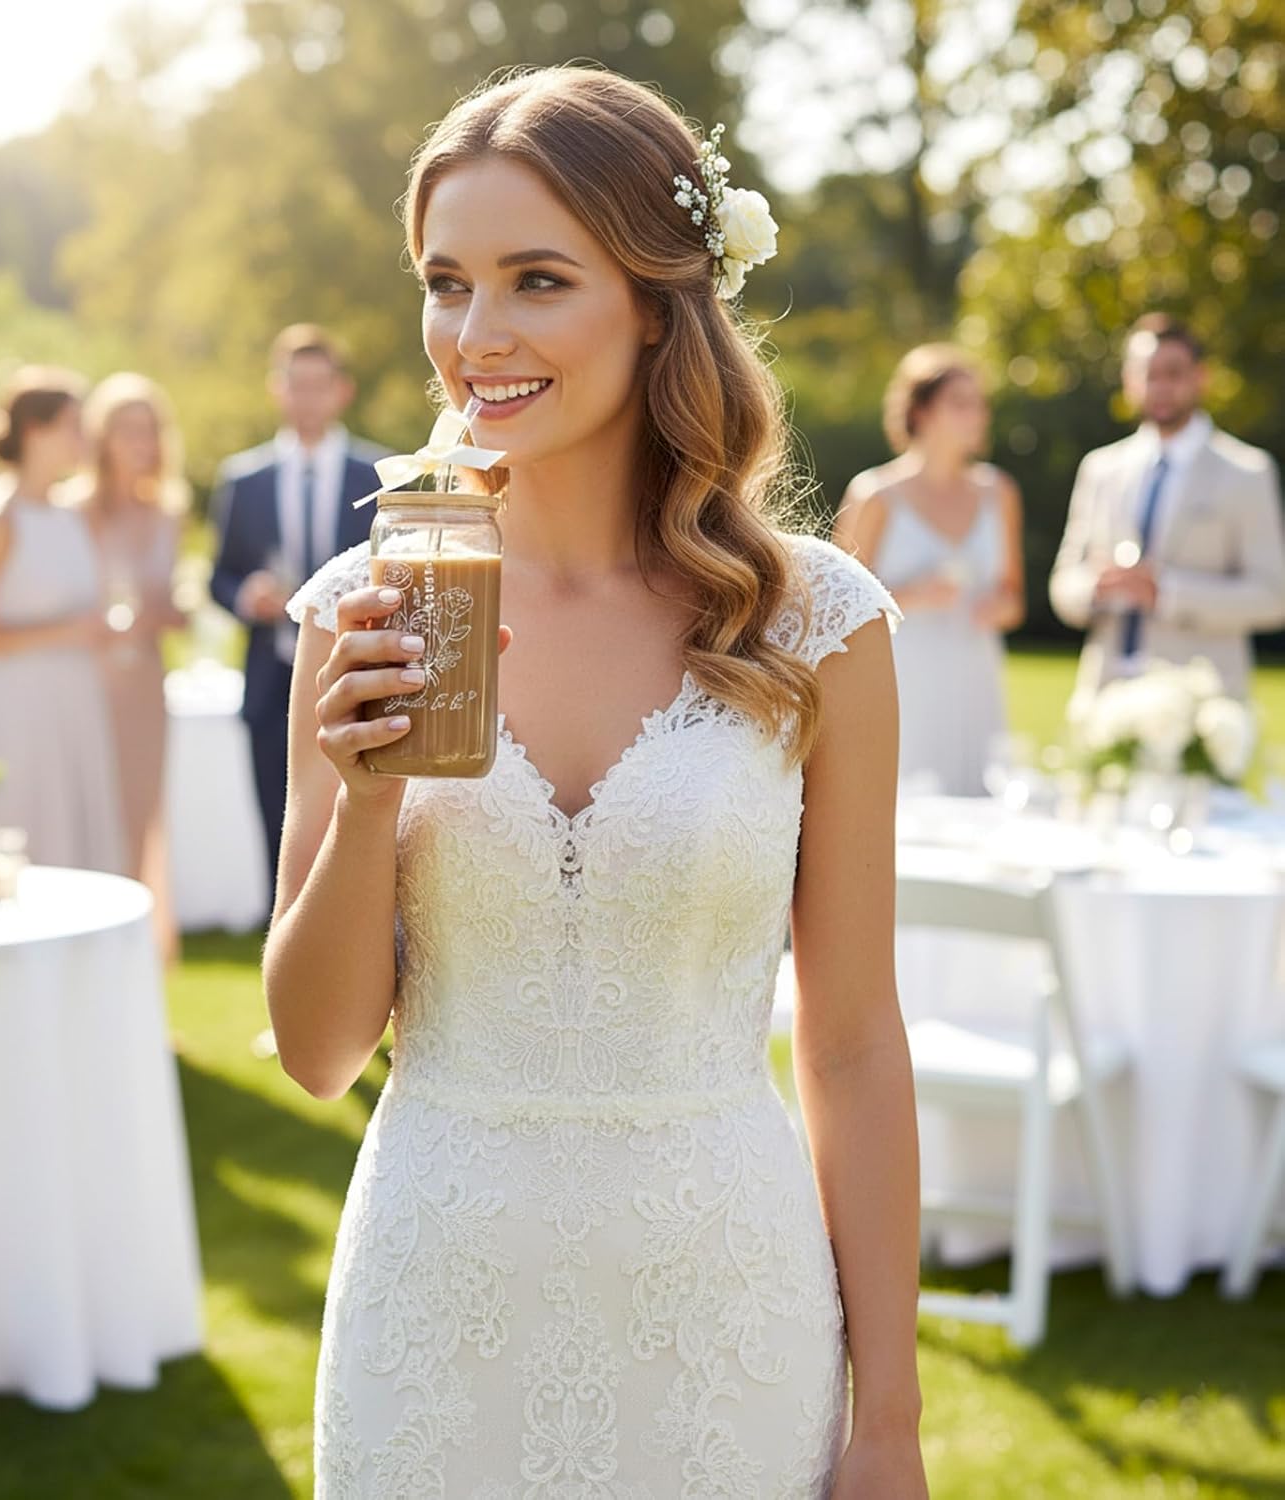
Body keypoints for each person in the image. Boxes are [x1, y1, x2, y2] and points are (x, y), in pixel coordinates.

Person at [269, 69, 926, 1497]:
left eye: (536, 280)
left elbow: (858, 1045)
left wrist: (891, 1422)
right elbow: (317, 1054)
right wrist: (366, 794)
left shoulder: (818, 622)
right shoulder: (360, 613)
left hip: (725, 1310)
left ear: (655, 300)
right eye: (447, 282)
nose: (475, 337)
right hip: (437, 1304)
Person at [208, 325, 380, 896]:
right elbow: (219, 575)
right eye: (295, 384)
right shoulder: (243, 480)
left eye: (318, 384)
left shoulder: (378, 477)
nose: (306, 397)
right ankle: (278, 931)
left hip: (357, 678)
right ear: (276, 390)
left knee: (355, 815)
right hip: (268, 681)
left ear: (341, 392)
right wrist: (242, 596)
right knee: (274, 817)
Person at [1050, 313, 1285, 715]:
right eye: (1148, 374)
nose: (1160, 386)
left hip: (1203, 711)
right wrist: (1097, 588)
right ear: (1129, 380)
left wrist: (1167, 592)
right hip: (1105, 704)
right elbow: (1063, 585)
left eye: (1173, 373)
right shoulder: (1100, 469)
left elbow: (1273, 597)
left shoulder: (1246, 472)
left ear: (1200, 377)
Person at [0, 367, 126, 873]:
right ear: (33, 431)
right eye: (73, 425)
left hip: (77, 699)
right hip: (19, 708)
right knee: (24, 834)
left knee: (77, 833)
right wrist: (66, 632)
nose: (83, 439)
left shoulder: (72, 514)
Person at [835, 345, 1025, 796]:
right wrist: (913, 596)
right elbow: (835, 610)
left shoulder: (999, 492)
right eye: (960, 403)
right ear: (919, 411)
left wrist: (997, 609)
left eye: (980, 403)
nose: (976, 415)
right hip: (901, 680)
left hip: (975, 678)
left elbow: (1015, 600)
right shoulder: (876, 494)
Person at [76, 372, 190, 962]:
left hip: (145, 685)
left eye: (148, 430)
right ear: (101, 436)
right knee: (86, 811)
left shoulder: (170, 511)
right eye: (126, 429)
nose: (139, 442)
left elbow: (175, 606)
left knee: (140, 822)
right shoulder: (71, 510)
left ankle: (136, 969)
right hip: (82, 684)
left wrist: (170, 613)